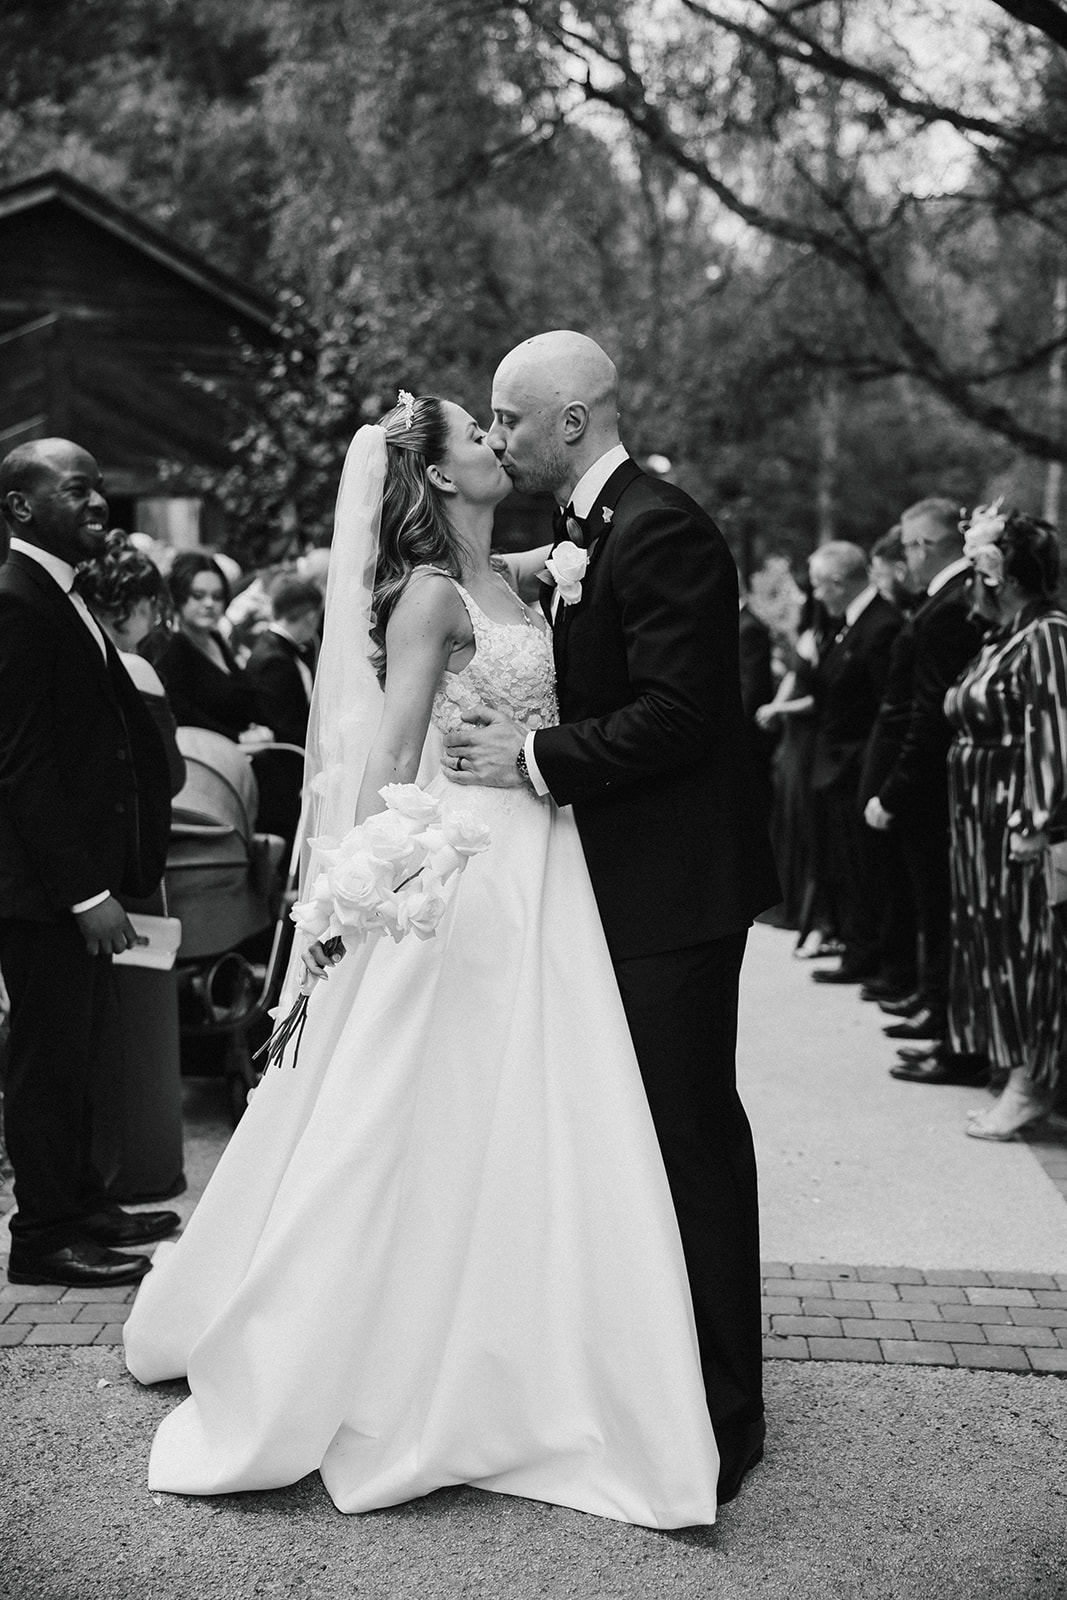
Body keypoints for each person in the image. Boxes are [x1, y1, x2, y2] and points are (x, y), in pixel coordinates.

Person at [123, 395, 723, 1529]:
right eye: (476, 437)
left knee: (547, 1105)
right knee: (422, 1108)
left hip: (547, 864)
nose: (499, 444)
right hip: (461, 871)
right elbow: (388, 749)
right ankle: (380, 1356)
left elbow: (569, 569)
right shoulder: (431, 597)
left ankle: (539, 1348)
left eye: (505, 428)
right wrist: (354, 890)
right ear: (441, 479)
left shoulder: (517, 577)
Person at [445, 331, 780, 1504]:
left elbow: (681, 716)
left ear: (572, 423)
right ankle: (655, 1372)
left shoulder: (664, 526)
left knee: (689, 1141)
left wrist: (531, 752)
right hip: (622, 884)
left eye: (512, 417)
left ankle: (726, 1415)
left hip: (676, 892)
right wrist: (535, 570)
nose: (498, 436)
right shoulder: (599, 529)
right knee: (638, 1141)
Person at [0, 440, 175, 1287]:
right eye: (79, 490)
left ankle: (85, 1203)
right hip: (44, 892)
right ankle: (43, 1236)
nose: (100, 503)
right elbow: (23, 763)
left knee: (81, 1053)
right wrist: (87, 892)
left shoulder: (59, 594)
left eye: (102, 488)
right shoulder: (16, 600)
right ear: (21, 506)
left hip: (74, 882)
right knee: (47, 1061)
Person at [943, 506, 1067, 1137]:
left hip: (1013, 820)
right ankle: (1008, 1066)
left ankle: (1032, 1082)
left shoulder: (1047, 634)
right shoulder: (1004, 638)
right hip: (976, 822)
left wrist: (1033, 817)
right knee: (991, 944)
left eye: (977, 572)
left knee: (1026, 950)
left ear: (1002, 575)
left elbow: (1052, 730)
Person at [862, 500, 985, 1081]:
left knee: (940, 910)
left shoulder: (946, 608)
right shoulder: (941, 602)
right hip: (928, 786)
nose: (903, 557)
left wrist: (898, 788)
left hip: (931, 790)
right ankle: (939, 1016)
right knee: (931, 908)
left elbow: (929, 713)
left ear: (932, 544)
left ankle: (951, 1033)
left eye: (909, 545)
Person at [806, 542, 903, 987]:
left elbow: (887, 706)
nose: (816, 594)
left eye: (819, 585)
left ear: (840, 583)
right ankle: (857, 950)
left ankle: (877, 958)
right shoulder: (847, 624)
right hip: (837, 765)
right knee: (846, 866)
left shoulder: (880, 626)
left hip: (858, 764)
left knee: (868, 870)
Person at [76, 530, 185, 796]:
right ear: (136, 604)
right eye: (152, 603)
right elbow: (169, 774)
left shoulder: (69, 655)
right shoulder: (133, 669)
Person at [146, 552, 273, 746]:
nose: (209, 604)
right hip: (206, 758)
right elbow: (181, 714)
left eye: (217, 596)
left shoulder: (214, 638)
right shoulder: (170, 645)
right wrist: (238, 738)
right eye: (198, 596)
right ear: (179, 596)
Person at [244, 575, 324, 854]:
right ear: (311, 617)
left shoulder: (279, 650)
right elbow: (286, 724)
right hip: (281, 772)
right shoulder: (273, 660)